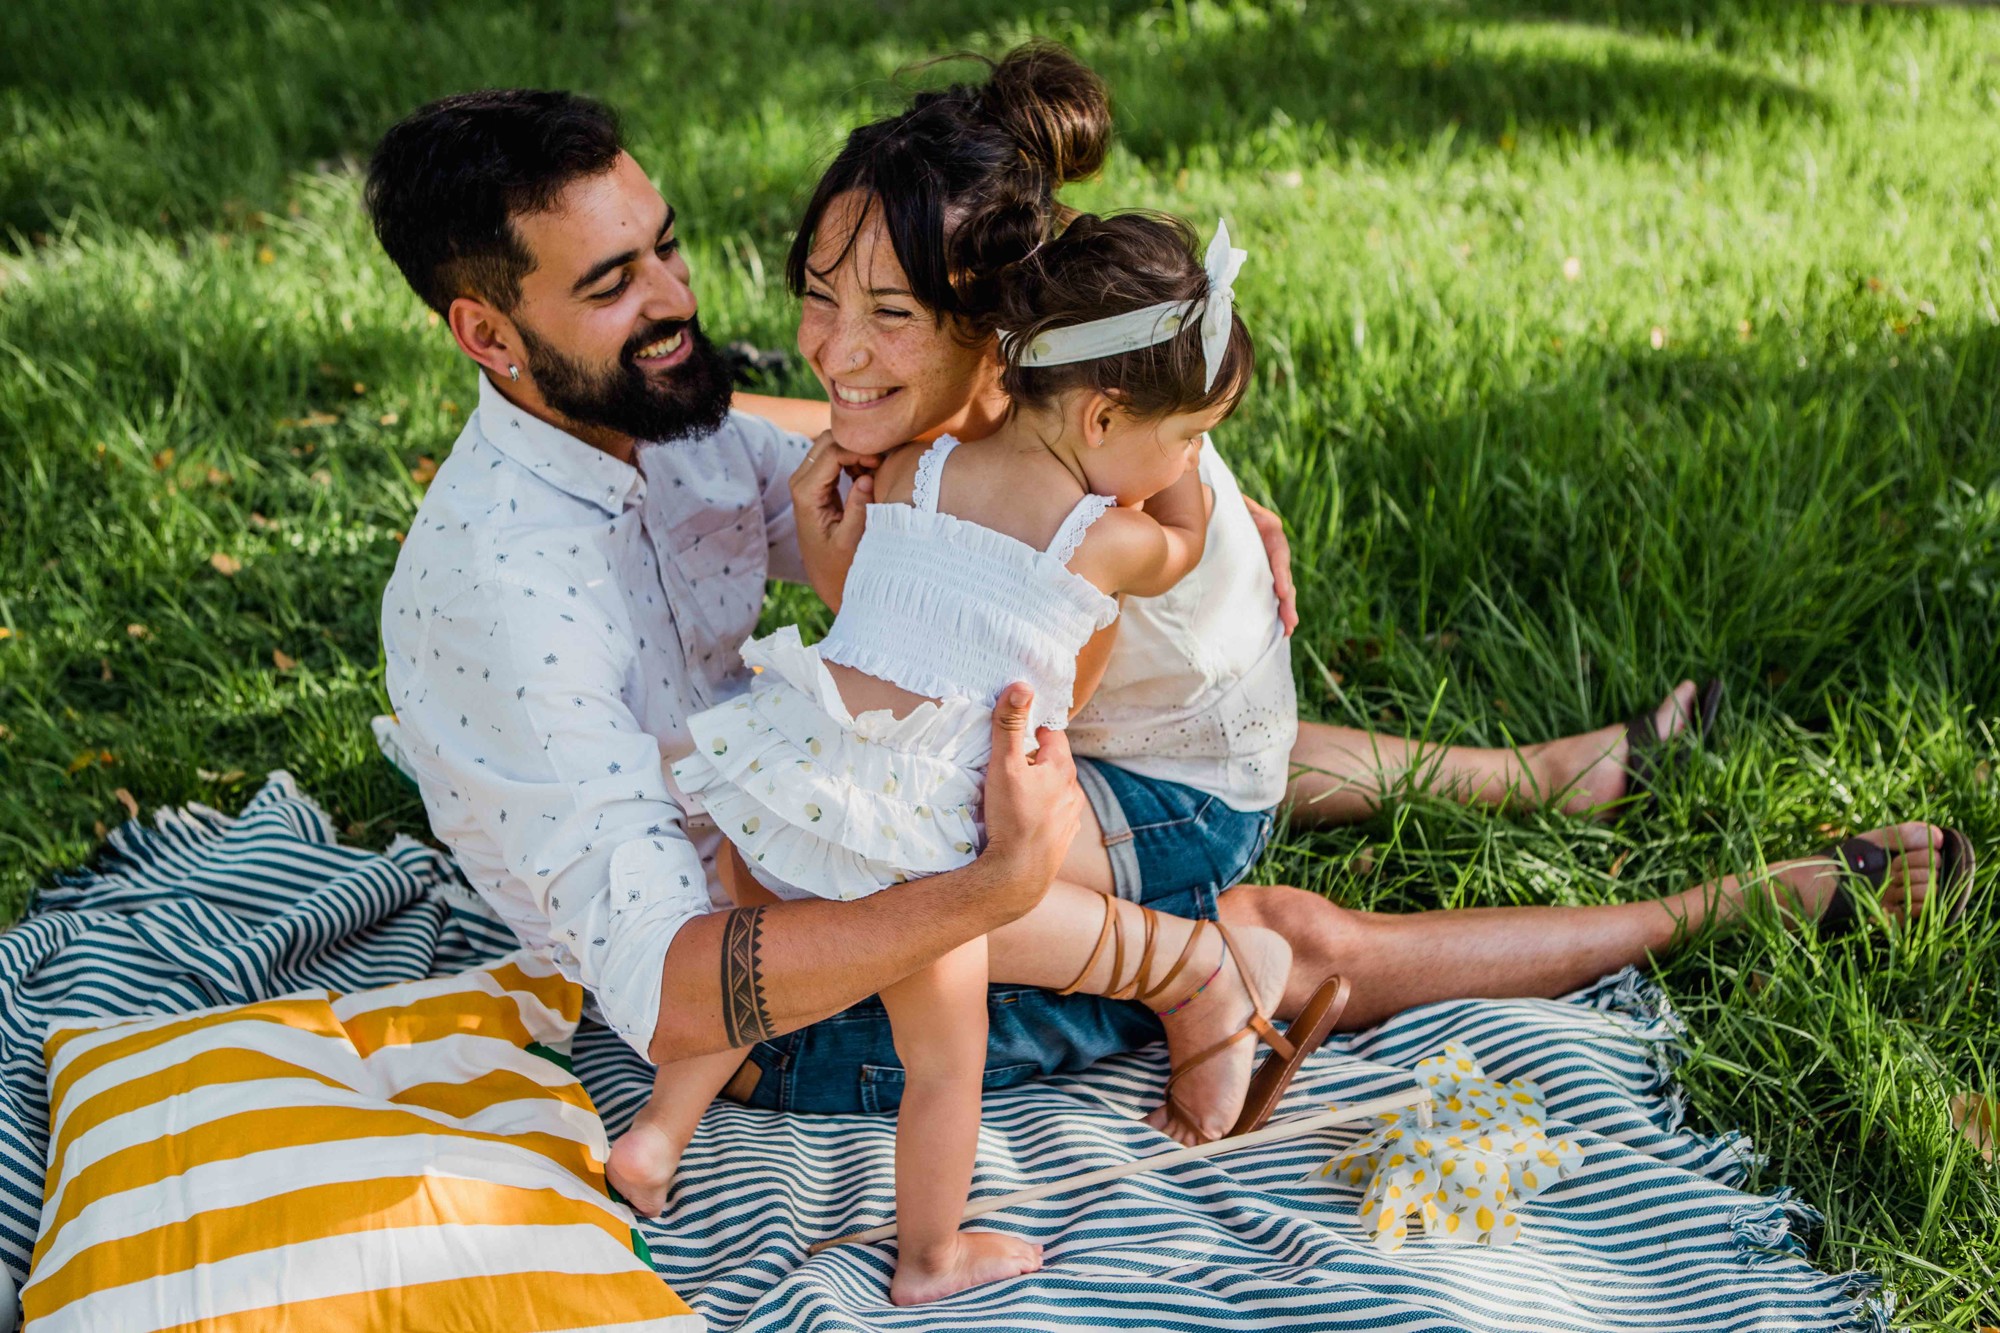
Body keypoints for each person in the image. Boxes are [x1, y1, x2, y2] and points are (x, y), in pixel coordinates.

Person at [366, 80, 1967, 1237]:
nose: (675, 302)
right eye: (614, 284)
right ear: (486, 334)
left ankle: (1537, 775)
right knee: (1255, 928)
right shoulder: (508, 595)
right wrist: (997, 890)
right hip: (787, 999)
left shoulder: (650, 417)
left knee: (1083, 691)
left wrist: (1182, 494)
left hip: (826, 814)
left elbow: (864, 450)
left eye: (663, 249)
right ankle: (1726, 905)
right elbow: (673, 995)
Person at [619, 212, 1343, 1303]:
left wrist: (1171, 435)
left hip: (795, 767)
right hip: (915, 832)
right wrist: (1186, 486)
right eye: (1192, 435)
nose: (1194, 460)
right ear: (1103, 416)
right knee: (943, 1063)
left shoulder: (918, 464)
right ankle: (929, 1256)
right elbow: (1187, 545)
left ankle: (655, 1139)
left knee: (755, 974)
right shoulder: (1103, 538)